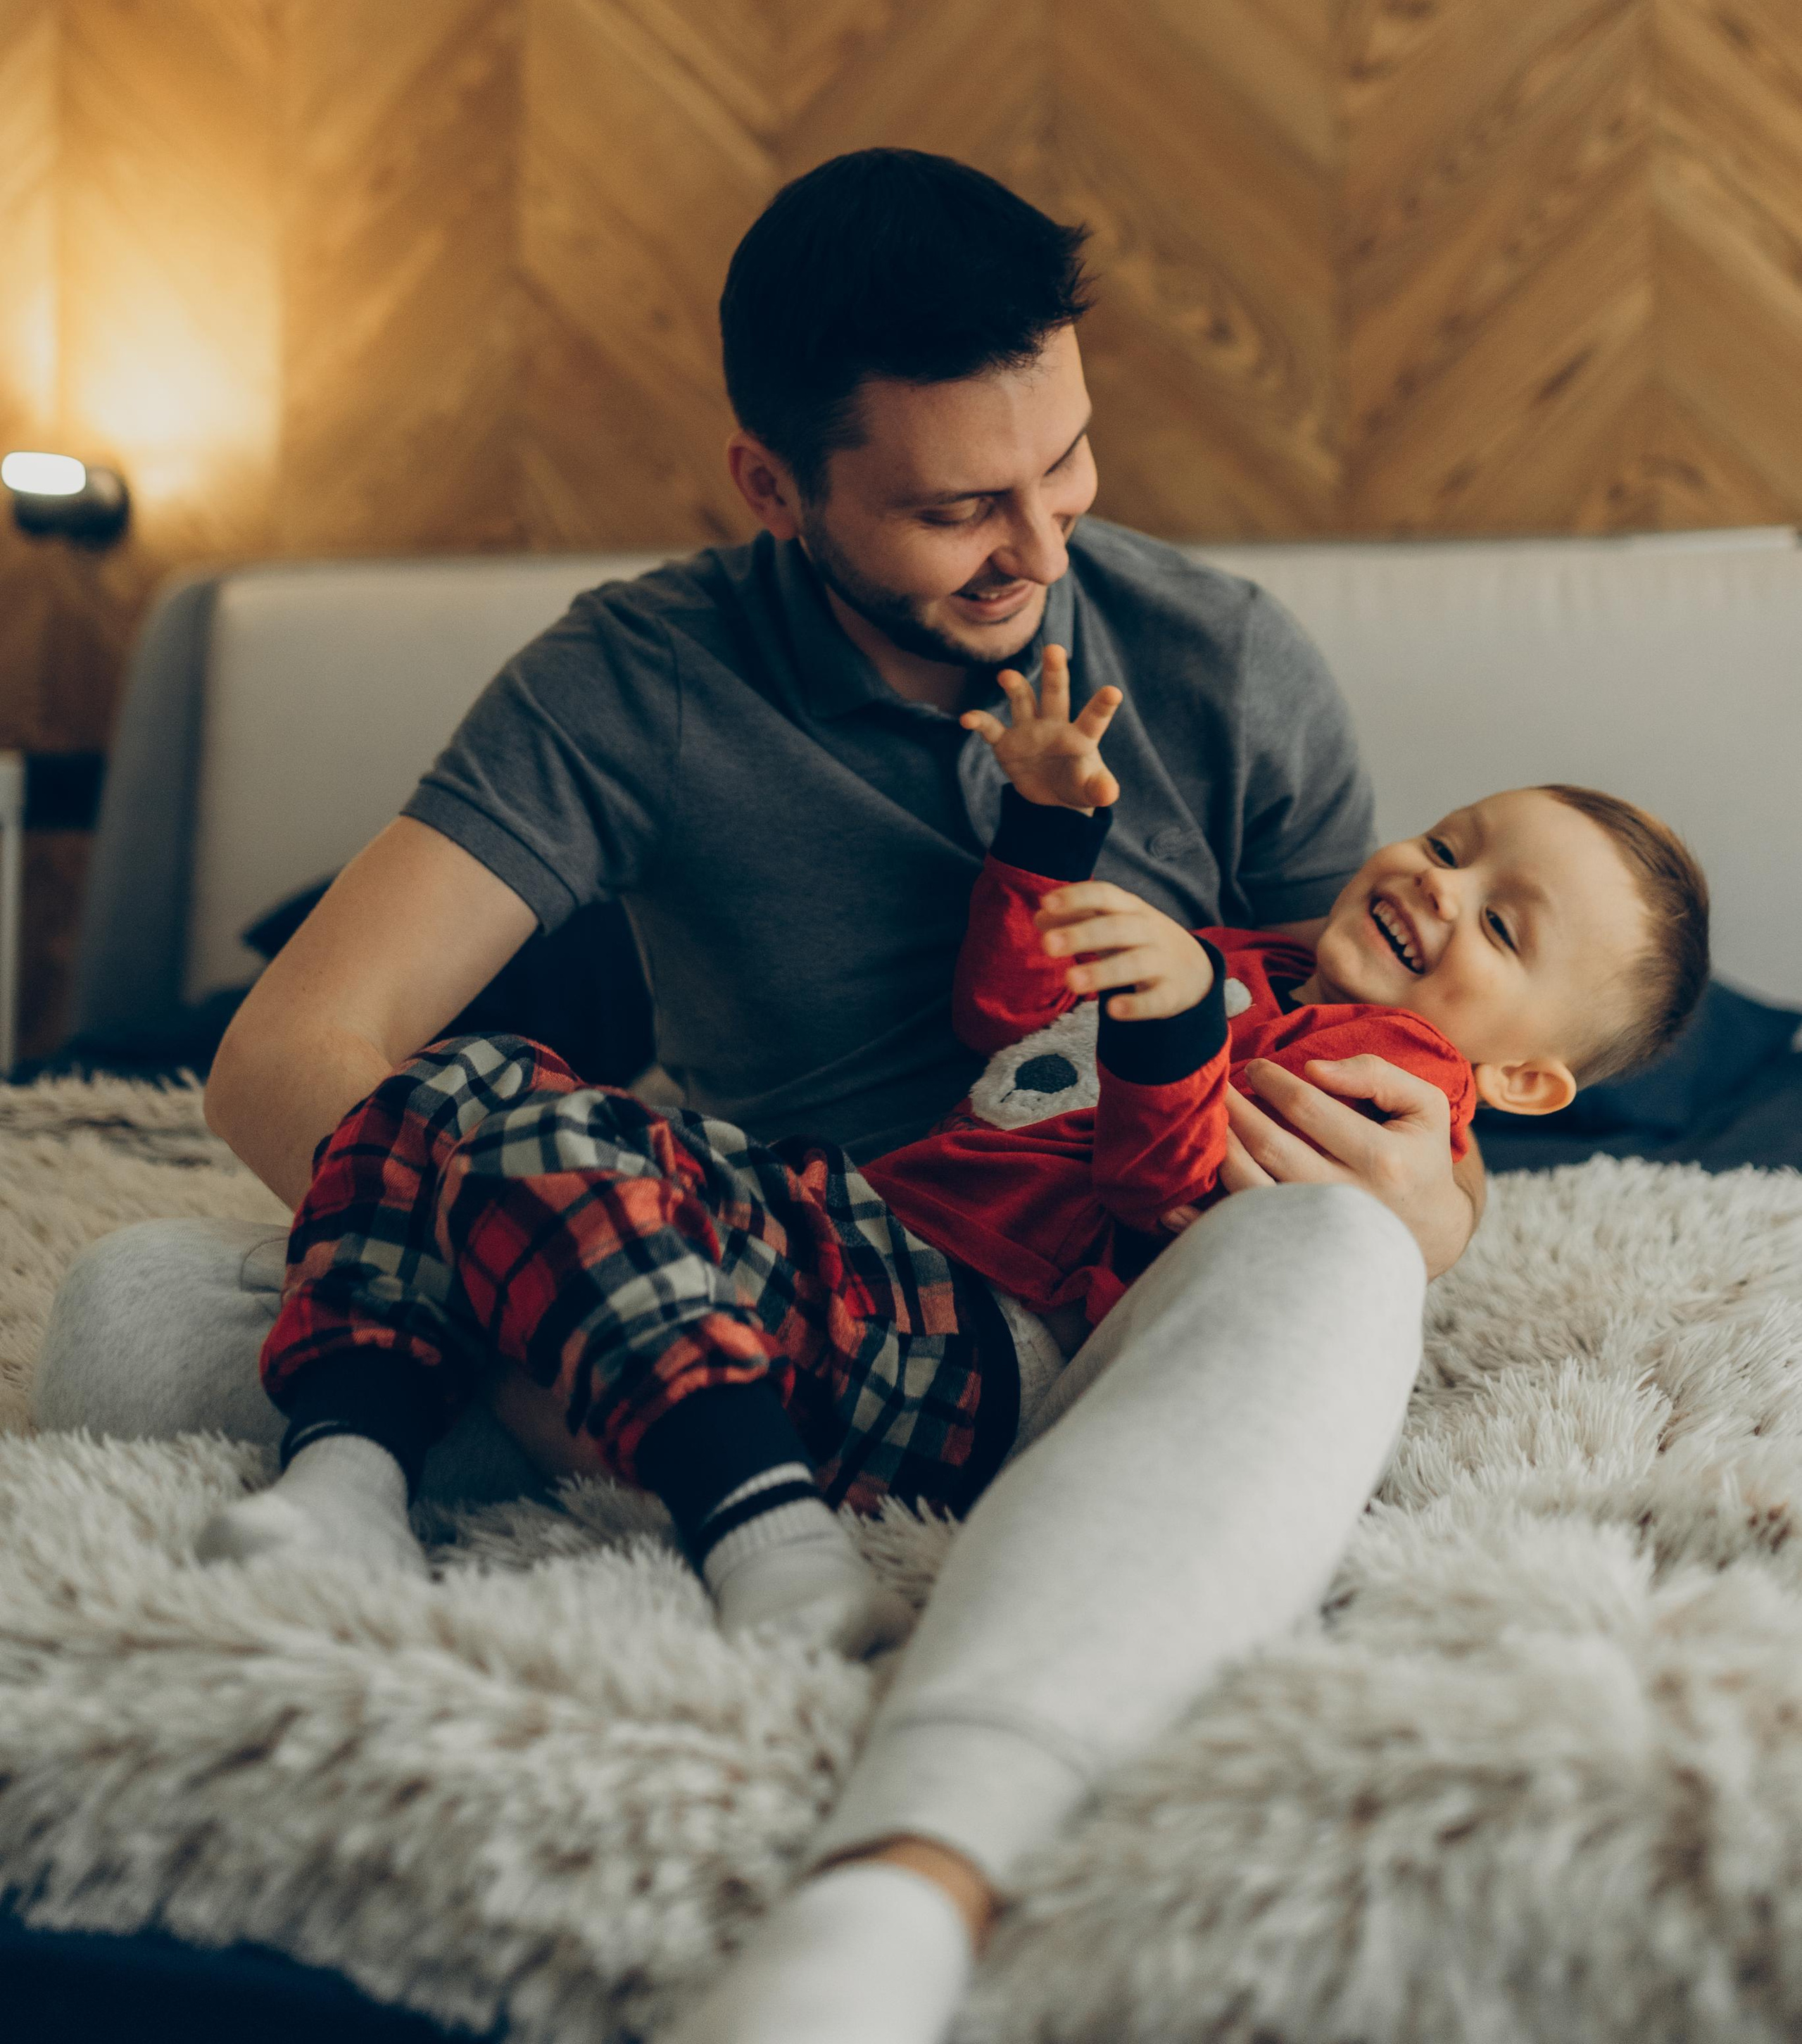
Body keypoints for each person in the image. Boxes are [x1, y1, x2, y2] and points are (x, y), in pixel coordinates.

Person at [32, 149, 1486, 2044]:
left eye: (1070, 466)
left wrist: (1442, 1200)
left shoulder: (1223, 663)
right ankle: (805, 1453)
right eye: (961, 506)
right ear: (773, 487)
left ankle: (904, 1880)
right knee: (125, 1314)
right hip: (753, 1264)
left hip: (1101, 1300)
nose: (1043, 551)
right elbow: (288, 1061)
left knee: (1336, 1268)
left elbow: (1373, 1027)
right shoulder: (632, 681)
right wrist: (610, 1293)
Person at [194, 656, 1706, 1687]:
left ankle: (761, 1531)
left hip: (983, 1341)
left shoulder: (1390, 1095)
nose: (1435, 891)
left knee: (533, 1143)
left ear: (1519, 1082)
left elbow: (1167, 1199)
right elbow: (1003, 1012)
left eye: (1502, 927)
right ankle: (347, 1475)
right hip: (858, 1240)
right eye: (1449, 845)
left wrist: (1179, 1016)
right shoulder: (1249, 959)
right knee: (468, 1084)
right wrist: (1050, 828)